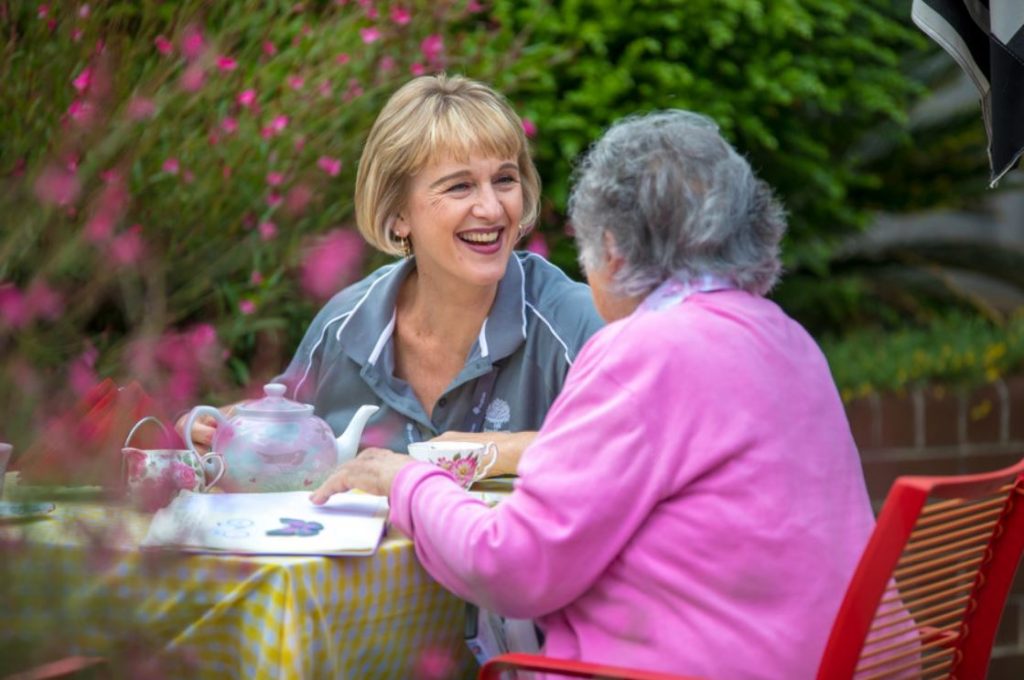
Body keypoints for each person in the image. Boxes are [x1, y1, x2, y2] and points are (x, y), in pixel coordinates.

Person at [311, 110, 878, 677]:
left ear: (612, 249)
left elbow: (512, 566)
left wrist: (403, 479)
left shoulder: (646, 352)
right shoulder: (785, 336)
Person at [180, 74, 604, 474]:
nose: (492, 209)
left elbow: (649, 440)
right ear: (399, 213)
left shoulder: (575, 322)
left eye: (505, 179)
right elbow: (274, 441)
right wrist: (210, 433)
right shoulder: (344, 326)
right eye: (460, 186)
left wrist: (492, 453)